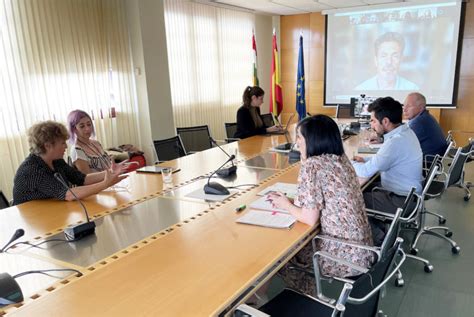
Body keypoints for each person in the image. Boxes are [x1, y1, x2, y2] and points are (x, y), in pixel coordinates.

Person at [267, 115, 374, 295]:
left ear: (313, 140)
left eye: (299, 138)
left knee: (279, 256)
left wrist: (285, 205)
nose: (296, 142)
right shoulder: (341, 159)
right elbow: (312, 201)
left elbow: (309, 218)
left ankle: (308, 299)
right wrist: (292, 202)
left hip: (342, 254)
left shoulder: (313, 165)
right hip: (362, 249)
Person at [352, 97, 422, 244]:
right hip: (408, 195)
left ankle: (381, 241)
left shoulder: (395, 142)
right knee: (359, 189)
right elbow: (383, 160)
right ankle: (379, 230)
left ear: (385, 121)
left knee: (351, 199)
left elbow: (364, 172)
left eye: (373, 121)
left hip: (400, 200)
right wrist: (364, 160)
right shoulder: (405, 133)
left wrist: (347, 162)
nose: (371, 125)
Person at [13, 121, 128, 205]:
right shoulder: (32, 170)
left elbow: (81, 179)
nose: (66, 146)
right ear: (48, 145)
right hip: (31, 220)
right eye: (62, 143)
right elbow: (67, 194)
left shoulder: (56, 161)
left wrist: (110, 172)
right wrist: (104, 184)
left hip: (49, 210)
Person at [403, 92, 448, 159]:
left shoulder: (419, 123)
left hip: (425, 164)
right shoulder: (425, 117)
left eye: (409, 106)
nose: (404, 109)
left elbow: (401, 145)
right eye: (404, 105)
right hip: (434, 161)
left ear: (421, 107)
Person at [67, 110, 112, 174]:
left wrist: (118, 167)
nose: (87, 128)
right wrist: (112, 172)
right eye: (82, 126)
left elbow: (109, 166)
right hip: (101, 183)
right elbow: (88, 177)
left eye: (89, 124)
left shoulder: (96, 143)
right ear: (74, 129)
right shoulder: (77, 150)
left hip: (111, 179)